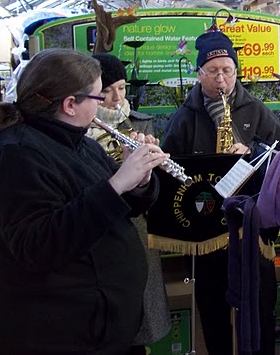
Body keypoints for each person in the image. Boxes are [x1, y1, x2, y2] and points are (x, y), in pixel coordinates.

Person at [0, 48, 170, 355]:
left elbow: (119, 208)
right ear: (69, 104)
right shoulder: (14, 155)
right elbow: (38, 246)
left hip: (96, 332)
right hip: (47, 336)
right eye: (97, 97)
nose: (107, 104)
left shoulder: (79, 143)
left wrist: (139, 179)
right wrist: (117, 183)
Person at [161, 30, 280, 355]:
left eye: (228, 71)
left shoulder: (255, 109)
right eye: (214, 71)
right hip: (206, 232)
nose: (222, 79)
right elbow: (165, 169)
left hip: (253, 229)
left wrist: (253, 151)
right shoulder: (185, 118)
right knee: (212, 306)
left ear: (236, 71)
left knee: (261, 305)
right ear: (199, 74)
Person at [87, 53, 171, 353]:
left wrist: (149, 172)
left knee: (139, 315)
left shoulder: (140, 124)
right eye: (107, 90)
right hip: (96, 231)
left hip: (136, 229)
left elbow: (155, 190)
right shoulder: (80, 129)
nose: (115, 97)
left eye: (121, 88)